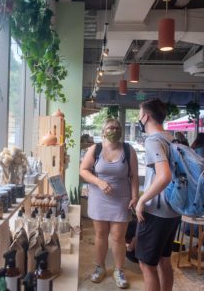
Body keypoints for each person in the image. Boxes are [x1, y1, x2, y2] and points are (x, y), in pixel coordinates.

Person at [80, 118, 139, 289]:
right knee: (100, 235)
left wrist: (135, 197)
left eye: (116, 127)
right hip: (99, 199)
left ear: (121, 131)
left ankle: (119, 270)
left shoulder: (128, 150)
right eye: (110, 127)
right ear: (103, 131)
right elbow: (83, 170)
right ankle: (100, 267)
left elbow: (134, 176)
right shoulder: (95, 149)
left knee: (118, 237)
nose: (113, 130)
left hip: (122, 199)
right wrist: (99, 182)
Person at [135, 98, 181, 291]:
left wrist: (142, 200)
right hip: (173, 210)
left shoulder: (153, 141)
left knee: (147, 265)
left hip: (156, 212)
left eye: (139, 114)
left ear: (146, 116)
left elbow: (164, 176)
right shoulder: (170, 138)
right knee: (164, 261)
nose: (139, 118)